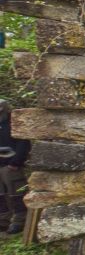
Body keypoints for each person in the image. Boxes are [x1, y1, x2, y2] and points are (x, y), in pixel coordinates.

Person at [0, 101, 29, 235]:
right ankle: (3, 222)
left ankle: (19, 221)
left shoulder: (14, 122)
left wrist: (16, 162)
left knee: (16, 193)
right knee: (1, 195)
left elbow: (23, 142)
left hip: (11, 165)